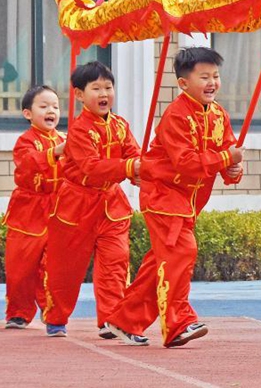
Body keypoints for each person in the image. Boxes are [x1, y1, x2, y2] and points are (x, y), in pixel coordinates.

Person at [104, 47, 243, 348]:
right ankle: (178, 323)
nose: (212, 82)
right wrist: (224, 158)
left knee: (161, 263)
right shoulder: (177, 115)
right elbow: (187, 163)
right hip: (164, 194)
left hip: (189, 202)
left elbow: (227, 159)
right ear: (183, 83)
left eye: (215, 76)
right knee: (181, 252)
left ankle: (124, 321)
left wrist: (234, 169)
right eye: (204, 76)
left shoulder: (219, 115)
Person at [43, 62, 141, 338]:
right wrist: (131, 169)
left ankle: (110, 319)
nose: (104, 93)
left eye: (108, 87)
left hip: (112, 204)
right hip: (76, 204)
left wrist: (144, 173)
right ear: (79, 94)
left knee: (116, 262)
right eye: (96, 88)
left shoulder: (121, 125)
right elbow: (92, 166)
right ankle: (56, 317)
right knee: (66, 268)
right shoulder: (78, 130)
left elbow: (135, 156)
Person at [3, 86, 65, 329]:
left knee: (52, 266)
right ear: (28, 113)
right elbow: (28, 164)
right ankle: (18, 312)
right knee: (20, 265)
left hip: (57, 209)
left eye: (56, 106)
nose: (51, 110)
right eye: (44, 106)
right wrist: (55, 153)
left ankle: (52, 312)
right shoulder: (24, 141)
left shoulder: (64, 140)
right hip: (28, 210)